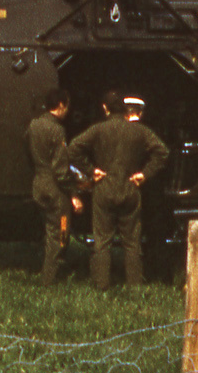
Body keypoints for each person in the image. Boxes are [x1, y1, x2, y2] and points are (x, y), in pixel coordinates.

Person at [67, 91, 169, 291]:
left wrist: (90, 170)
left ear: (105, 108)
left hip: (103, 190)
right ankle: (135, 286)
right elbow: (162, 152)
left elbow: (72, 149)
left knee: (102, 241)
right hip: (130, 189)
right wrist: (145, 174)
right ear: (123, 109)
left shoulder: (98, 129)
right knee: (132, 243)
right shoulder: (139, 131)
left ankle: (101, 285)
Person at [27, 89, 82, 285]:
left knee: (50, 230)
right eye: (67, 105)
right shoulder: (57, 130)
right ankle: (50, 279)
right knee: (61, 232)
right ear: (60, 105)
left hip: (38, 185)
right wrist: (74, 193)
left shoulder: (34, 125)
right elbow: (60, 170)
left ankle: (48, 273)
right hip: (55, 190)